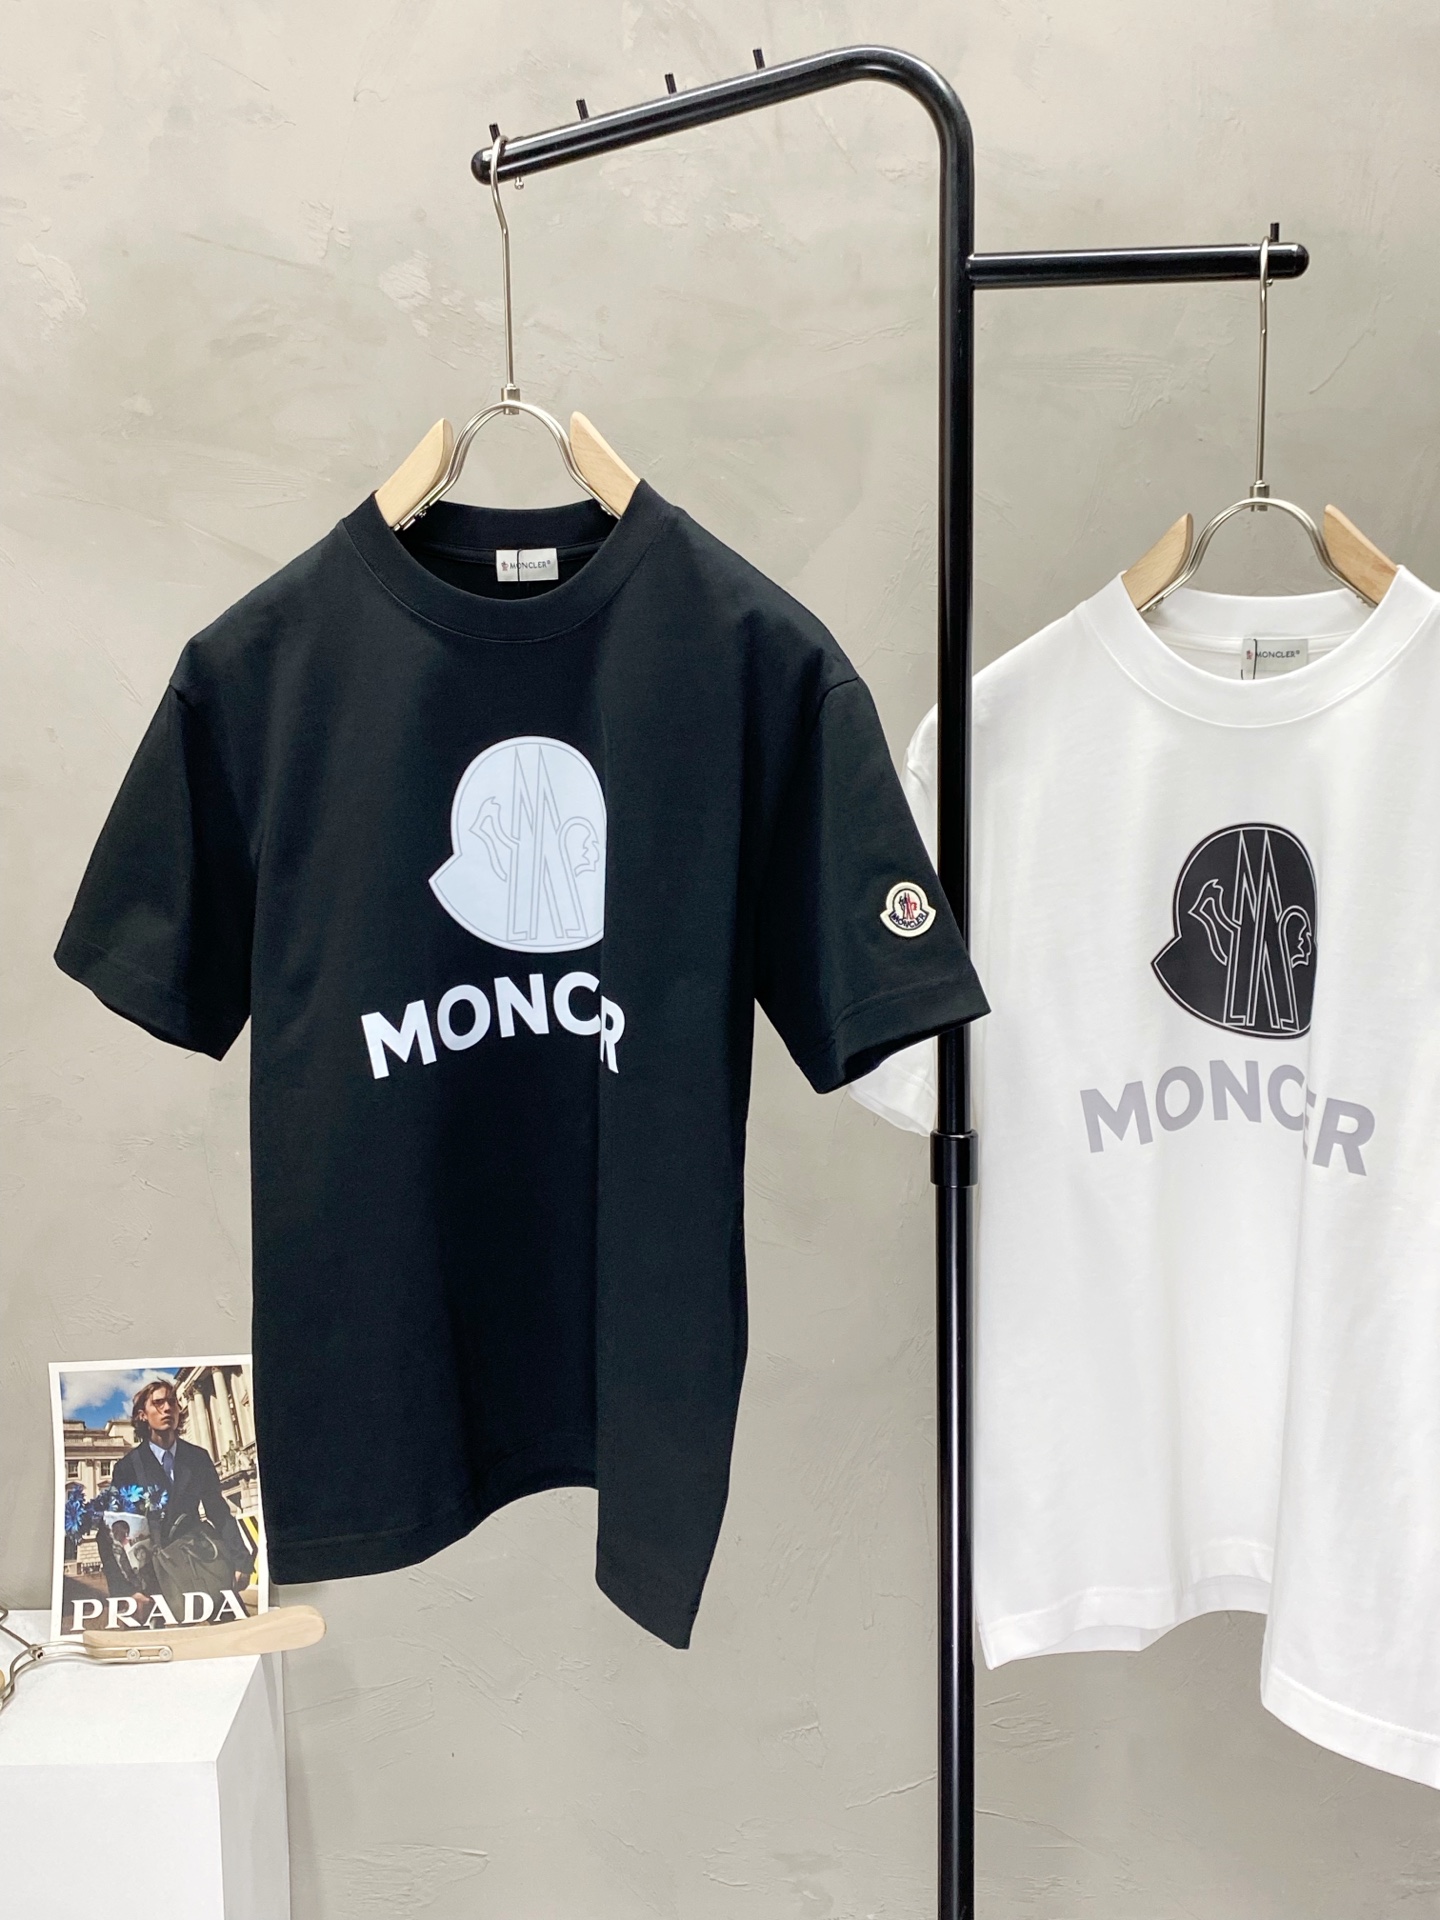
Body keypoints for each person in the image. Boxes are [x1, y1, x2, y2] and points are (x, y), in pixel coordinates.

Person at [108, 1380, 255, 1618]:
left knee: (235, 1630)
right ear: (143, 1415)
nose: (167, 1408)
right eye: (158, 1403)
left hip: (203, 1561)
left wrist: (241, 1562)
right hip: (154, 1577)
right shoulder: (128, 1467)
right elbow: (112, 1532)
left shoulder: (198, 1458)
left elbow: (219, 1512)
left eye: (172, 1402)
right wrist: (125, 1590)